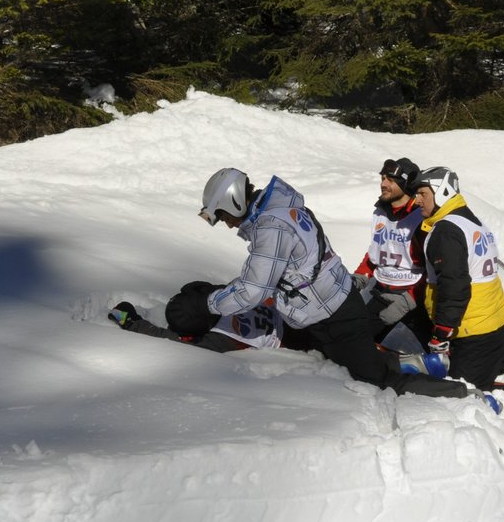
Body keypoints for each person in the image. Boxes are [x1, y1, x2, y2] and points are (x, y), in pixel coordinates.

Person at [196, 167, 481, 401]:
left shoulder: (272, 226)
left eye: (222, 216)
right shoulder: (278, 211)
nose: (228, 224)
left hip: (336, 316)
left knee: (376, 381)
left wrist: (208, 303)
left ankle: (461, 395)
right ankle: (409, 363)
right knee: (345, 363)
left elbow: (254, 289)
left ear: (233, 201)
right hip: (324, 311)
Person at [412, 165, 504, 390]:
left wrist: (442, 331)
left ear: (442, 191)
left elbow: (455, 286)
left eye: (422, 194)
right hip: (496, 320)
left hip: (475, 331)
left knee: (462, 391)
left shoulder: (446, 231)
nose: (416, 201)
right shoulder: (469, 219)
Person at [352, 156, 431, 343]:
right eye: (382, 179)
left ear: (405, 184)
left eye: (390, 180)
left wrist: (409, 300)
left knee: (429, 353)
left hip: (412, 297)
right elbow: (377, 249)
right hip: (381, 292)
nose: (383, 184)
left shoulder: (420, 217)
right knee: (357, 342)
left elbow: (433, 269)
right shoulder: (381, 211)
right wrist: (362, 274)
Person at [110, 280, 297, 352]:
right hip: (296, 311)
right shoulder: (225, 297)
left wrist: (133, 323)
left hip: (299, 330)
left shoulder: (221, 339)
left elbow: (169, 340)